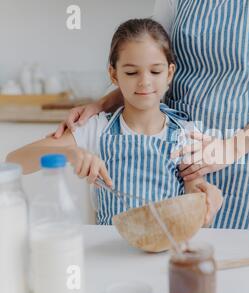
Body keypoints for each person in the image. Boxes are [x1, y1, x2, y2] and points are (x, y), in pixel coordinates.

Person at [51, 0, 249, 231]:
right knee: (186, 273)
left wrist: (229, 150)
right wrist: (103, 104)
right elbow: (153, 62)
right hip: (183, 166)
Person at [7, 18, 223, 225]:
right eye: (131, 72)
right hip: (109, 253)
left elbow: (198, 216)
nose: (144, 81)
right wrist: (71, 154)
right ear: (113, 74)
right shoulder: (96, 128)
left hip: (166, 254)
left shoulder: (187, 135)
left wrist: (206, 203)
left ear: (169, 73)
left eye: (155, 71)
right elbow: (14, 161)